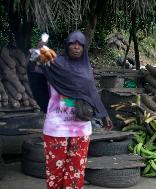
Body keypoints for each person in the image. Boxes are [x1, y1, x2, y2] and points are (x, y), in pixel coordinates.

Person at [29, 31, 112, 189]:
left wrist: (104, 114)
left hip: (81, 128)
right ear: (66, 46)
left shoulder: (86, 69)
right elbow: (34, 72)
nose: (76, 47)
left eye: (80, 44)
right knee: (55, 172)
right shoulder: (52, 63)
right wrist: (37, 53)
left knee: (76, 172)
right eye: (72, 43)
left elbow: (92, 93)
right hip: (56, 127)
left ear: (84, 48)